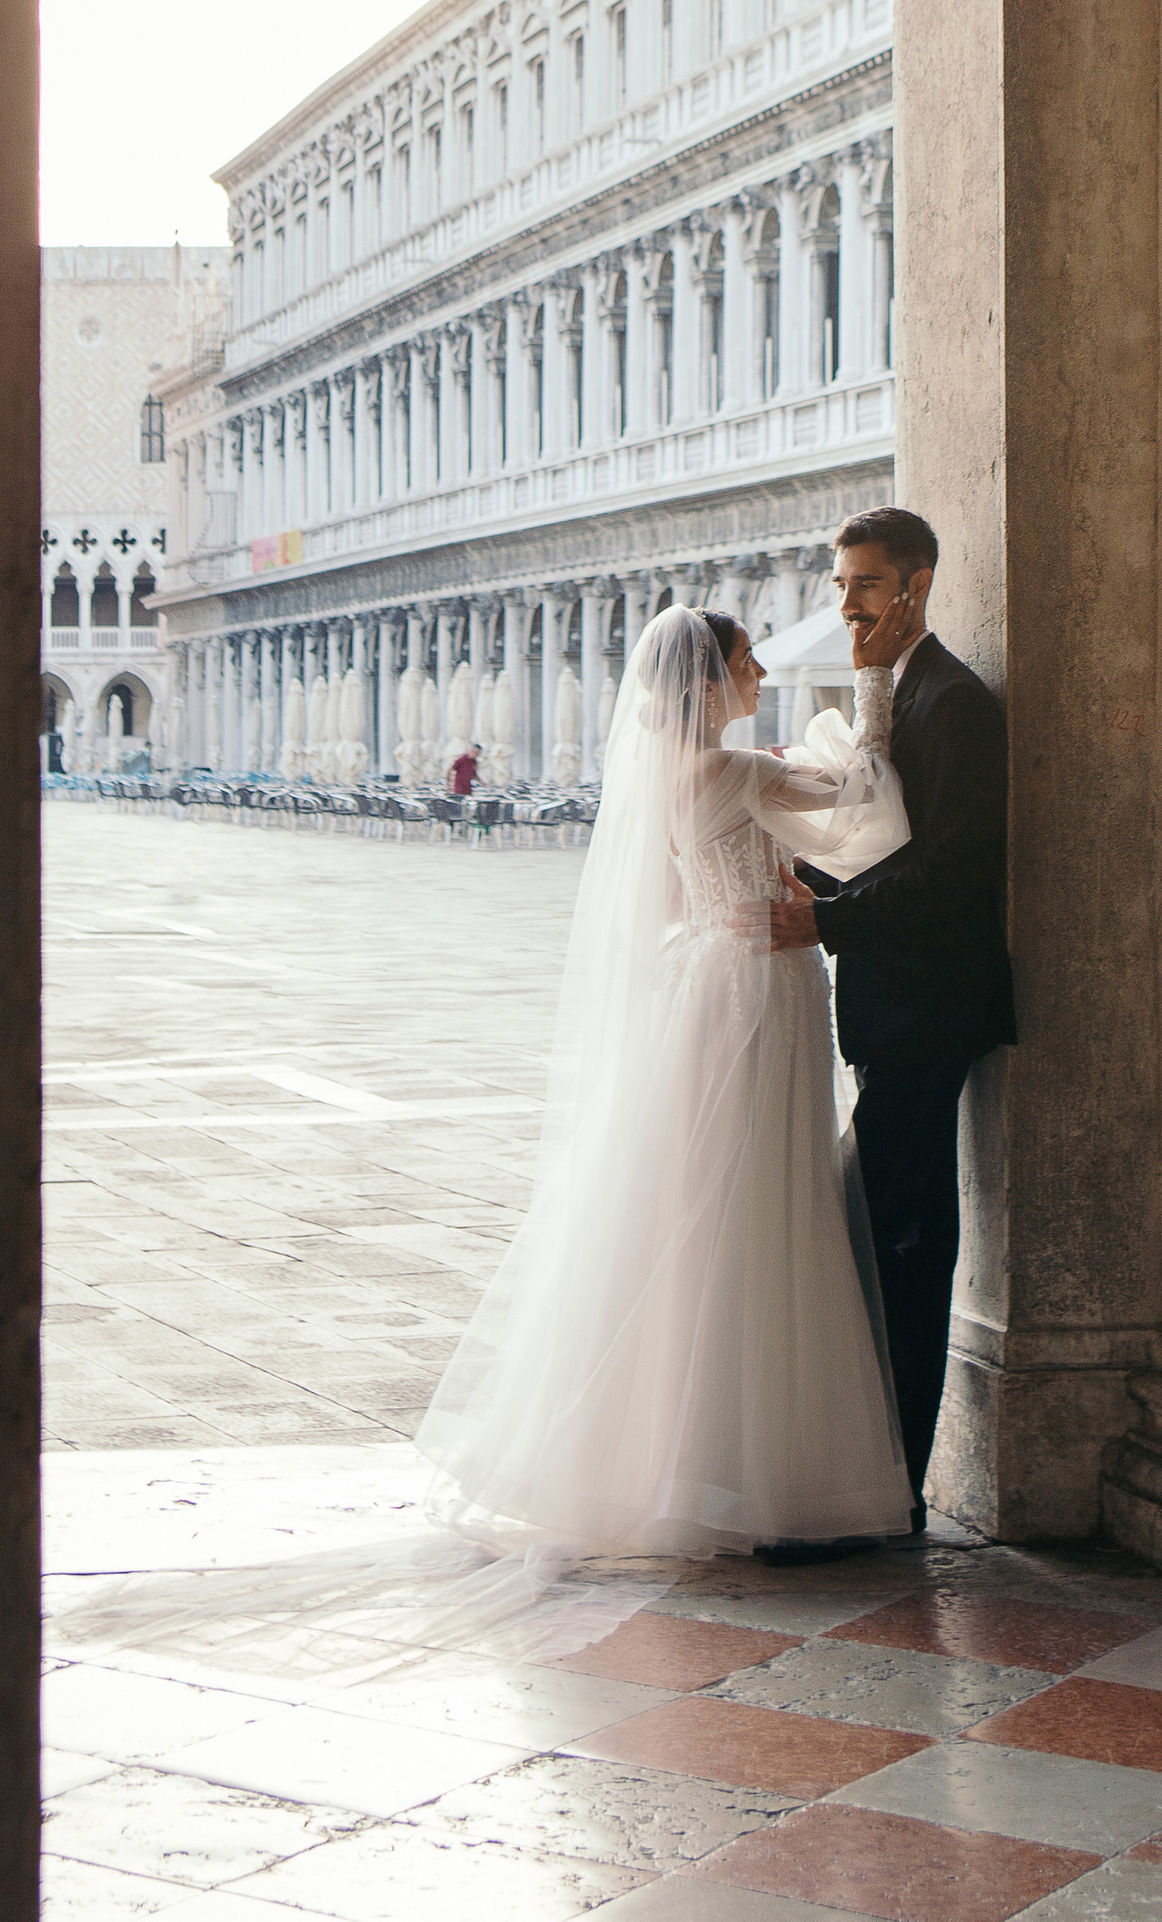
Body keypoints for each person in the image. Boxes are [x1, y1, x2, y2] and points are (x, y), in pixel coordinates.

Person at [417, 603, 917, 1557]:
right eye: (748, 661)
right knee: (766, 1199)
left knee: (700, 1200)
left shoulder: (664, 778)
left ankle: (671, 1451)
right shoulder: (736, 770)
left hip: (704, 982)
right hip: (762, 988)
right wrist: (875, 683)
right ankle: (750, 1461)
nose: (762, 674)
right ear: (711, 683)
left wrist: (752, 893)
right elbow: (862, 802)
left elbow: (662, 903)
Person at [769, 506, 1014, 1527]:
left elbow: (955, 868)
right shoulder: (893, 694)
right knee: (883, 1236)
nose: (845, 605)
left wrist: (824, 920)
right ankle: (880, 1473)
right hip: (893, 1012)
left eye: (862, 585)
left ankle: (895, 1485)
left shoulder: (953, 703)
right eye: (839, 585)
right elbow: (880, 840)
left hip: (928, 1012)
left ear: (912, 586)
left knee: (904, 1246)